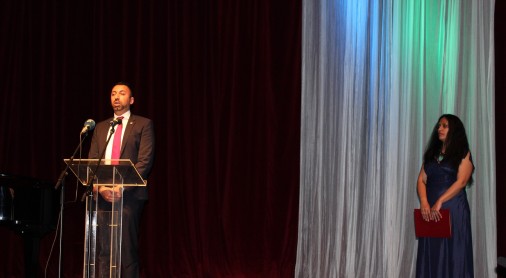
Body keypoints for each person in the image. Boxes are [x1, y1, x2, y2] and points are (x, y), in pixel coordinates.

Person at [88, 81, 155, 277]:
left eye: (122, 93)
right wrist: (100, 188)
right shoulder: (100, 128)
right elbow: (93, 162)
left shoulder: (143, 124)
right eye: (113, 93)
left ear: (131, 100)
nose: (116, 97)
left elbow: (144, 162)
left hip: (129, 196)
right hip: (102, 195)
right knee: (103, 250)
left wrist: (121, 188)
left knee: (126, 251)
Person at [416, 114, 474, 277]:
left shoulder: (463, 153)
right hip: (431, 209)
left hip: (453, 210)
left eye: (444, 125)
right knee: (432, 252)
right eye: (439, 125)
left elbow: (462, 182)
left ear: (454, 130)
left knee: (454, 253)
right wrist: (424, 202)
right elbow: (421, 180)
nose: (439, 128)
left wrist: (440, 200)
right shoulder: (431, 154)